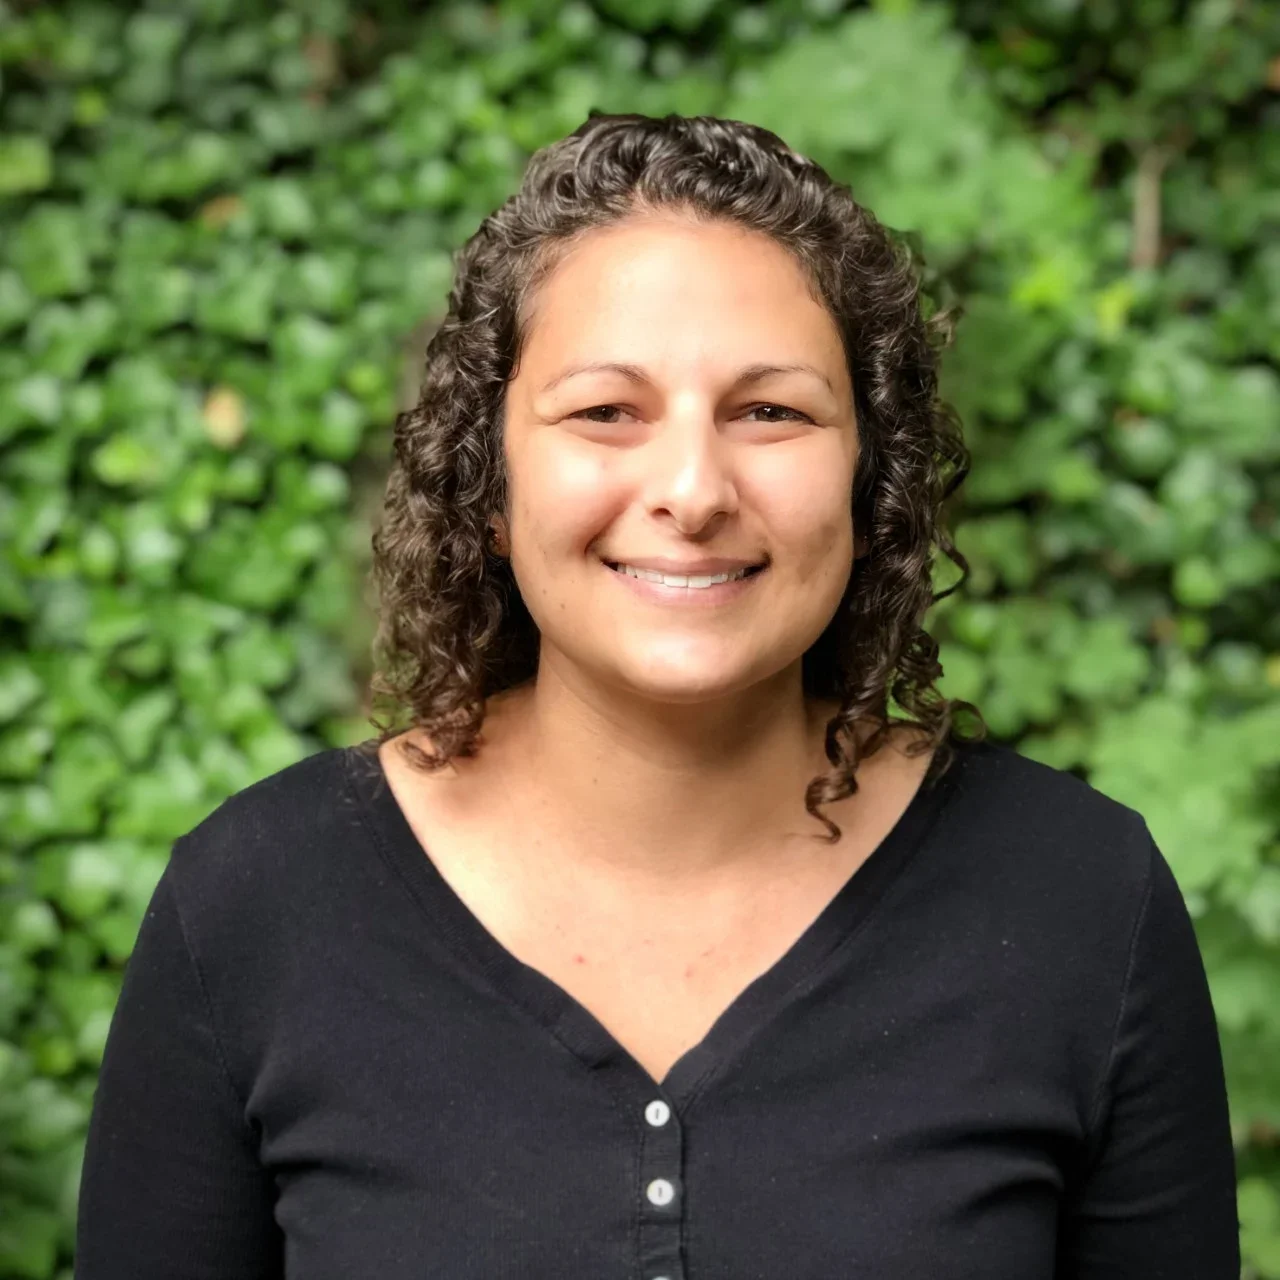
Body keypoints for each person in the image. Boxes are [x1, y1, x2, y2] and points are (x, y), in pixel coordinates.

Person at [75, 112, 1239, 1278]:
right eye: (604, 412)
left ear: (866, 477)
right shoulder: (252, 907)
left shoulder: (1081, 900)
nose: (691, 489)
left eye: (769, 411)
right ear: (490, 481)